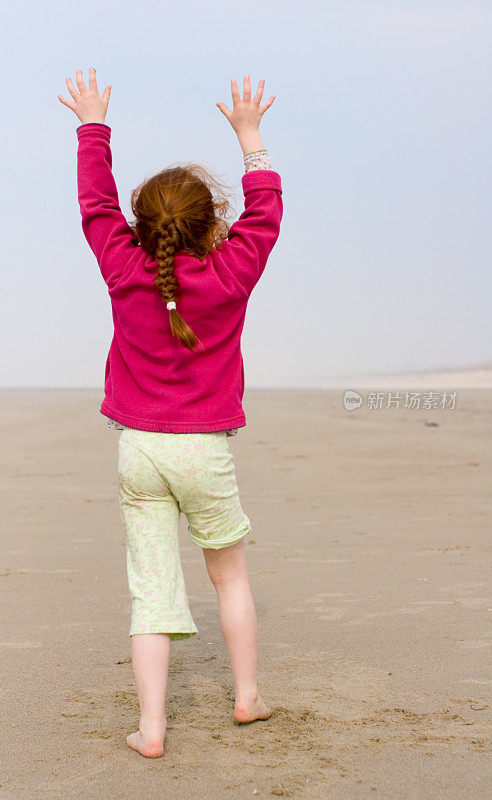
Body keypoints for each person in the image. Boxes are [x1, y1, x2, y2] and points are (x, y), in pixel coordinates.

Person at [58, 69, 283, 758]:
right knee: (230, 576)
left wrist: (92, 124)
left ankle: (151, 729)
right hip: (203, 451)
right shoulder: (230, 272)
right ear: (210, 222)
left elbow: (94, 205)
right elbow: (266, 214)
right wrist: (251, 138)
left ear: (141, 224)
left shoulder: (124, 269)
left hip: (140, 453)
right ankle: (246, 697)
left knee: (151, 592)